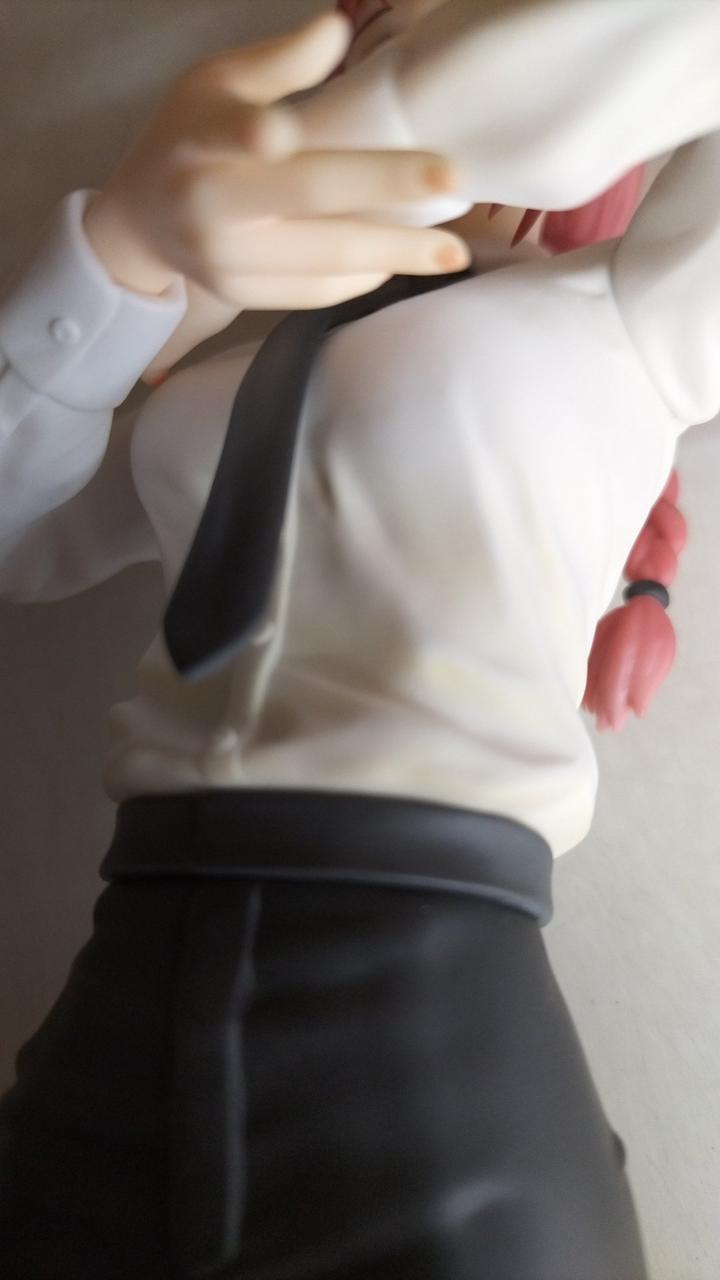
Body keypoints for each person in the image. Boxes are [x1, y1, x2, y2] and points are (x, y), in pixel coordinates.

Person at [0, 2, 718, 1276]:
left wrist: (391, 118)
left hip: (426, 1016)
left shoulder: (634, 316)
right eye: (377, 24)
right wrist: (118, 261)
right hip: (130, 967)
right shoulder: (205, 374)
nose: (408, 31)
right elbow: (19, 539)